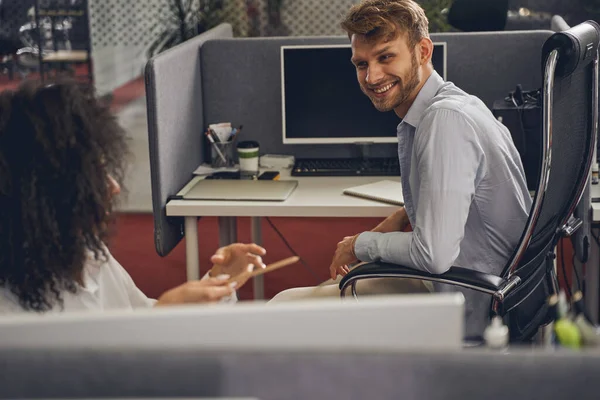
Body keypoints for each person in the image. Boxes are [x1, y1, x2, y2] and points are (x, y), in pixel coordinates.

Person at [271, 0, 532, 337]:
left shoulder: (444, 122)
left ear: (423, 51)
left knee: (280, 307)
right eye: (361, 63)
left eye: (385, 57)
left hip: (467, 304)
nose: (371, 76)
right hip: (478, 285)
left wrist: (357, 244)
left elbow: (435, 255)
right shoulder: (456, 104)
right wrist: (402, 216)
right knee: (324, 290)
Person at [0, 79, 266, 314]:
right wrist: (160, 318)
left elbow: (137, 316)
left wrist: (217, 283)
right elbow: (103, 366)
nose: (114, 187)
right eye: (94, 177)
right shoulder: (12, 315)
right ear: (45, 197)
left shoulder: (86, 254)